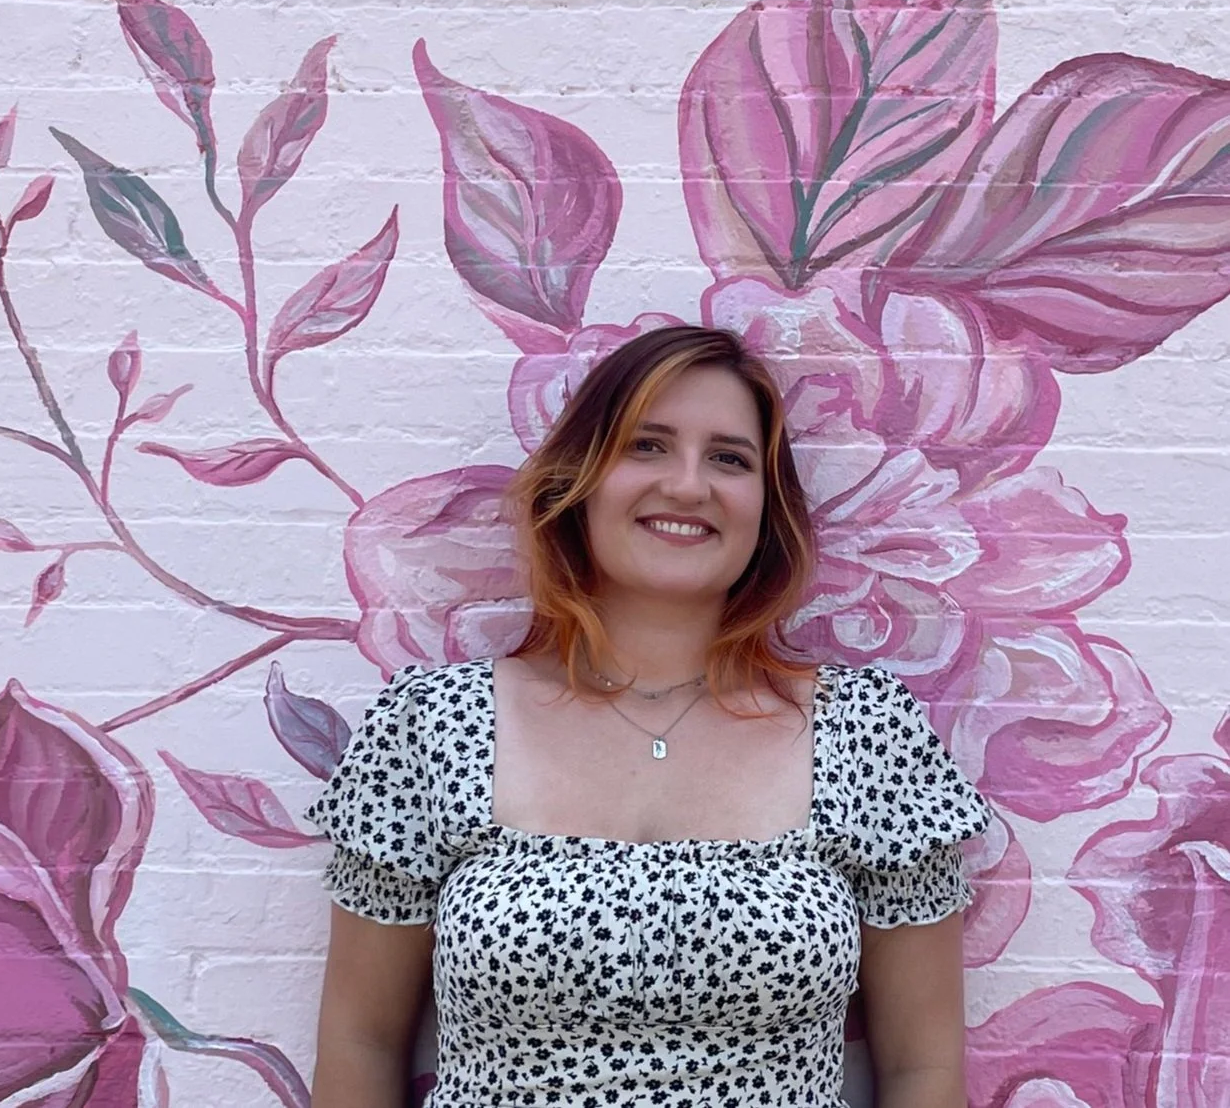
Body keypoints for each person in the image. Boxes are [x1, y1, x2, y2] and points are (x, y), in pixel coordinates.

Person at [306, 324, 992, 1108]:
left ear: (767, 510)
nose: (689, 486)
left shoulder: (866, 731)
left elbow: (922, 1068)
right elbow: (360, 1040)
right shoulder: (433, 724)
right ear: (582, 478)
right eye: (647, 445)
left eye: (729, 458)